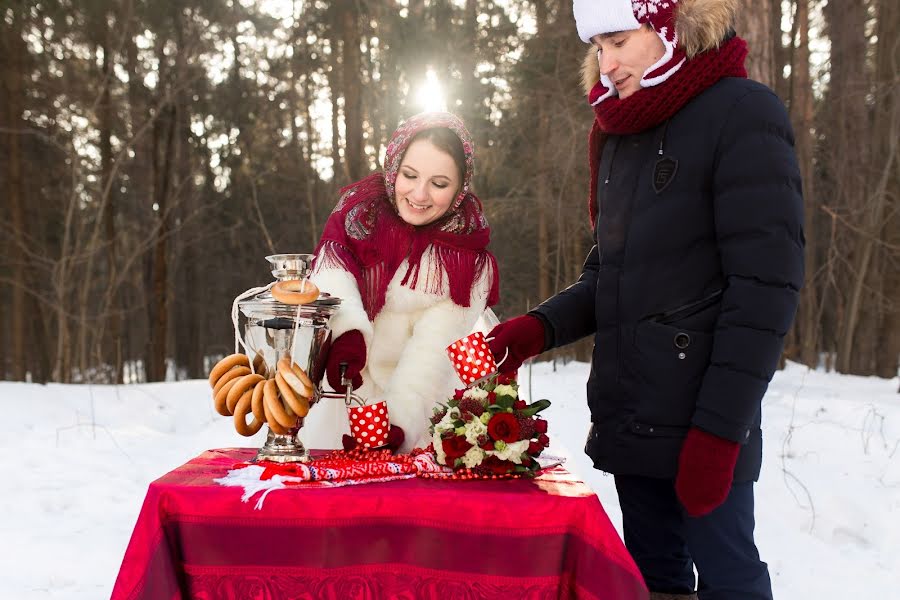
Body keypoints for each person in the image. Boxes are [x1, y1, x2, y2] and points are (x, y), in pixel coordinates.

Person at [487, 1, 803, 599]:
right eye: (596, 48)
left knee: (730, 579)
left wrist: (718, 433)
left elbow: (765, 291)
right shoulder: (618, 133)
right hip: (635, 413)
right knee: (651, 583)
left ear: (667, 28)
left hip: (704, 420)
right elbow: (611, 275)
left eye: (617, 41)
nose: (605, 65)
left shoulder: (744, 113)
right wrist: (537, 329)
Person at [305, 111, 499, 453]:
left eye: (439, 184)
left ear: (459, 188)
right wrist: (347, 331)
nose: (420, 194)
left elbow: (433, 349)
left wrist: (400, 423)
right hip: (350, 383)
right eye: (409, 175)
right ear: (394, 168)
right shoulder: (359, 214)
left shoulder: (466, 258)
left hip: (426, 397)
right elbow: (331, 267)